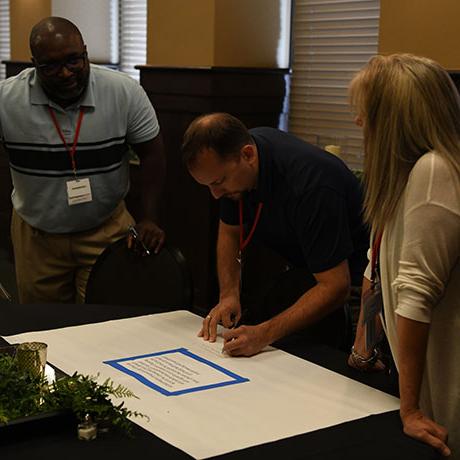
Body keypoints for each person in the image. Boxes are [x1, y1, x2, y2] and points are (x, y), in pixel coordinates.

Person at [0, 17, 166, 304]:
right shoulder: (6, 100)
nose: (65, 73)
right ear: (34, 63)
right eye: (50, 66)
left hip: (107, 229)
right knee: (45, 330)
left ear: (86, 53)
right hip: (38, 237)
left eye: (74, 60)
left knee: (107, 324)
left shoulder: (123, 92)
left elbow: (153, 153)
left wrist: (149, 216)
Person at [182, 112, 369, 357]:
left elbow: (336, 287)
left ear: (247, 155)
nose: (215, 195)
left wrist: (264, 334)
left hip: (358, 293)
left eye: (218, 182)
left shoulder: (311, 185)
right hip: (306, 277)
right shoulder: (235, 173)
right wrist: (228, 294)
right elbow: (229, 233)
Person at [348, 54, 460, 458]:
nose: (359, 123)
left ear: (394, 118)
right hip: (417, 379)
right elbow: (374, 270)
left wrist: (409, 408)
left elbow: (415, 297)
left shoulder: (434, 172)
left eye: (366, 112)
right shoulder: (402, 176)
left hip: (444, 386)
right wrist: (363, 346)